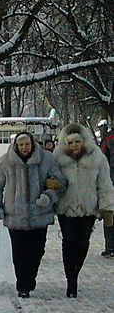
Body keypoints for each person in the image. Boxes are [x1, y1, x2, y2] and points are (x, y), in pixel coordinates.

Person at [0, 131, 66, 298]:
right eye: (21, 144)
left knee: (37, 251)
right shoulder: (6, 162)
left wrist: (48, 196)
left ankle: (30, 278)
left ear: (32, 144)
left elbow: (60, 183)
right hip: (15, 216)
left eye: (27, 144)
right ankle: (23, 285)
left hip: (40, 214)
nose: (24, 147)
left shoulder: (47, 159)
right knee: (20, 252)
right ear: (16, 145)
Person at [52, 123, 114, 296]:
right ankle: (71, 280)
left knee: (82, 242)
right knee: (69, 241)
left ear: (84, 141)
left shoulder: (97, 157)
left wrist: (107, 208)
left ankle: (75, 272)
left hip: (88, 208)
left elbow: (105, 184)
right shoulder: (58, 157)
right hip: (66, 207)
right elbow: (49, 178)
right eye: (70, 143)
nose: (74, 146)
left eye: (77, 142)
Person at [101, 122, 114, 257]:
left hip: (110, 182)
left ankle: (110, 246)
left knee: (110, 215)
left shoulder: (108, 137)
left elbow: (102, 159)